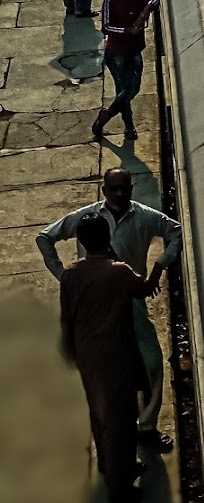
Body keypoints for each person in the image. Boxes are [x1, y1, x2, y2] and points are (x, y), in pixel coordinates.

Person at [39, 168, 181, 455]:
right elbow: (45, 238)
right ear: (104, 191)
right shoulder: (86, 216)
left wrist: (158, 269)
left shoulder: (143, 216)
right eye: (113, 189)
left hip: (131, 301)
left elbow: (176, 231)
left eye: (124, 188)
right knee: (105, 371)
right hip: (97, 305)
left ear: (131, 189)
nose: (119, 194)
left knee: (151, 362)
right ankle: (110, 432)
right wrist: (63, 275)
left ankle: (146, 427)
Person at [57, 213, 153, 503]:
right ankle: (119, 489)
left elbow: (66, 317)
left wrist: (71, 349)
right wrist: (159, 268)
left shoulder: (71, 274)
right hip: (116, 355)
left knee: (99, 411)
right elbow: (144, 288)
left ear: (82, 242)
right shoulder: (119, 272)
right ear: (108, 237)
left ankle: (107, 467)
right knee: (121, 421)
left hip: (88, 354)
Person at [94, 0, 160, 137]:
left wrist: (148, 8)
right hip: (116, 53)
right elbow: (106, 27)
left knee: (133, 88)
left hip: (134, 49)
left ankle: (106, 115)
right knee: (123, 89)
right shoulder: (111, 0)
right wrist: (127, 31)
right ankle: (128, 125)